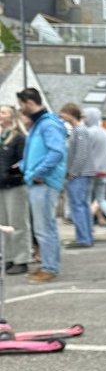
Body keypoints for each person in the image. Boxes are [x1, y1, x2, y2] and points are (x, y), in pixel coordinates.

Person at [17, 86, 67, 283]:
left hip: (44, 182)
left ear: (30, 103)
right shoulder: (42, 124)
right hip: (39, 180)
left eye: (22, 105)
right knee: (46, 227)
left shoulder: (47, 125)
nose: (21, 109)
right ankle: (48, 264)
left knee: (44, 228)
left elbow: (57, 152)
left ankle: (50, 267)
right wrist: (24, 165)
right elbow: (39, 151)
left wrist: (37, 172)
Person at [0, 104, 32, 274]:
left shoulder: (19, 138)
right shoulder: (1, 136)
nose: (0, 115)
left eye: (3, 112)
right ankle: (8, 257)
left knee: (18, 222)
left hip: (14, 184)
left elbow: (24, 161)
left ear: (11, 116)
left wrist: (15, 172)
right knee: (3, 224)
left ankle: (22, 258)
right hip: (1, 185)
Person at [59, 103, 95, 249]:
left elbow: (81, 154)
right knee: (83, 205)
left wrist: (73, 171)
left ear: (69, 113)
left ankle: (83, 238)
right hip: (83, 173)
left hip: (80, 174)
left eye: (63, 113)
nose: (61, 116)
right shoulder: (79, 130)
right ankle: (86, 236)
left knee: (77, 206)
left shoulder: (79, 131)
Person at [82, 106, 106, 233]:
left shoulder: (88, 132)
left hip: (90, 170)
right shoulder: (105, 133)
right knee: (101, 199)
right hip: (103, 170)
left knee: (86, 200)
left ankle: (88, 227)